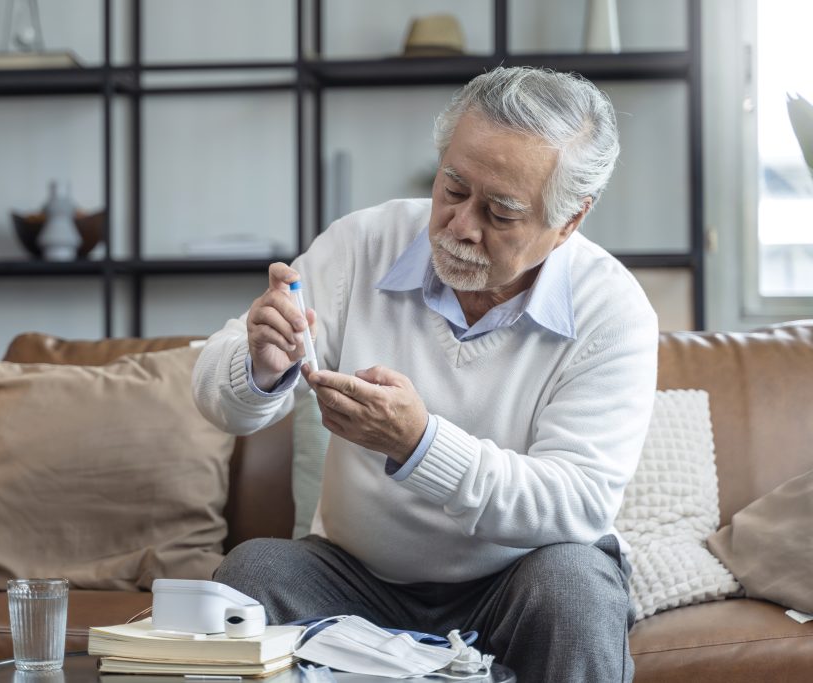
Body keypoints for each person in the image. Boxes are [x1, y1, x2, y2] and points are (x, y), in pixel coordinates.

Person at [192, 66, 657, 683]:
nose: (461, 225)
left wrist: (419, 445)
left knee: (575, 587)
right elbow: (223, 406)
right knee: (252, 575)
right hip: (356, 577)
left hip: (517, 582)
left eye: (501, 212)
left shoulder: (613, 312)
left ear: (569, 220)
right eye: (454, 188)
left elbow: (577, 506)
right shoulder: (362, 243)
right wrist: (258, 365)